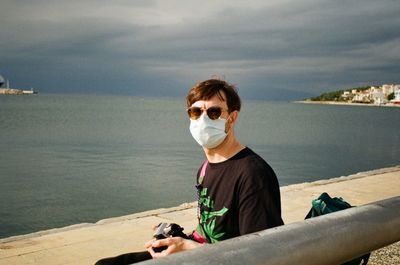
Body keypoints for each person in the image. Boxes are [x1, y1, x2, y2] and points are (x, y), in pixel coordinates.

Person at [95, 78, 283, 265]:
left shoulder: (253, 175)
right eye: (195, 112)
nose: (203, 119)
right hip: (199, 254)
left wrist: (185, 247)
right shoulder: (205, 169)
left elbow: (260, 255)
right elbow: (209, 231)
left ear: (232, 118)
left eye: (214, 112)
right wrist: (176, 238)